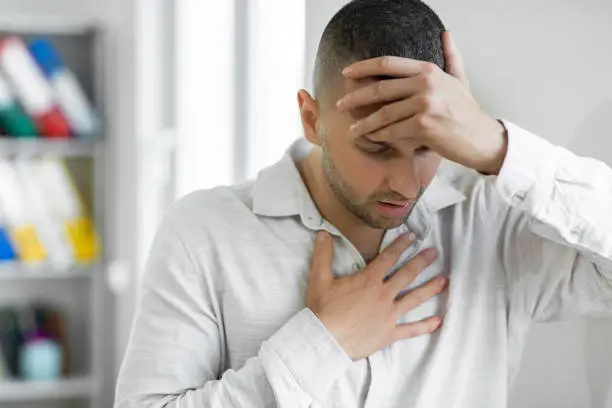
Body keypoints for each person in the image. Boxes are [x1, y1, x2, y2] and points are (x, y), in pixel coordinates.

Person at [115, 0, 612, 407]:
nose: (404, 182)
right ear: (312, 119)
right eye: (376, 148)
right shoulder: (203, 233)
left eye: (427, 147)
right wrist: (320, 345)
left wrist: (496, 145)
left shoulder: (493, 224)